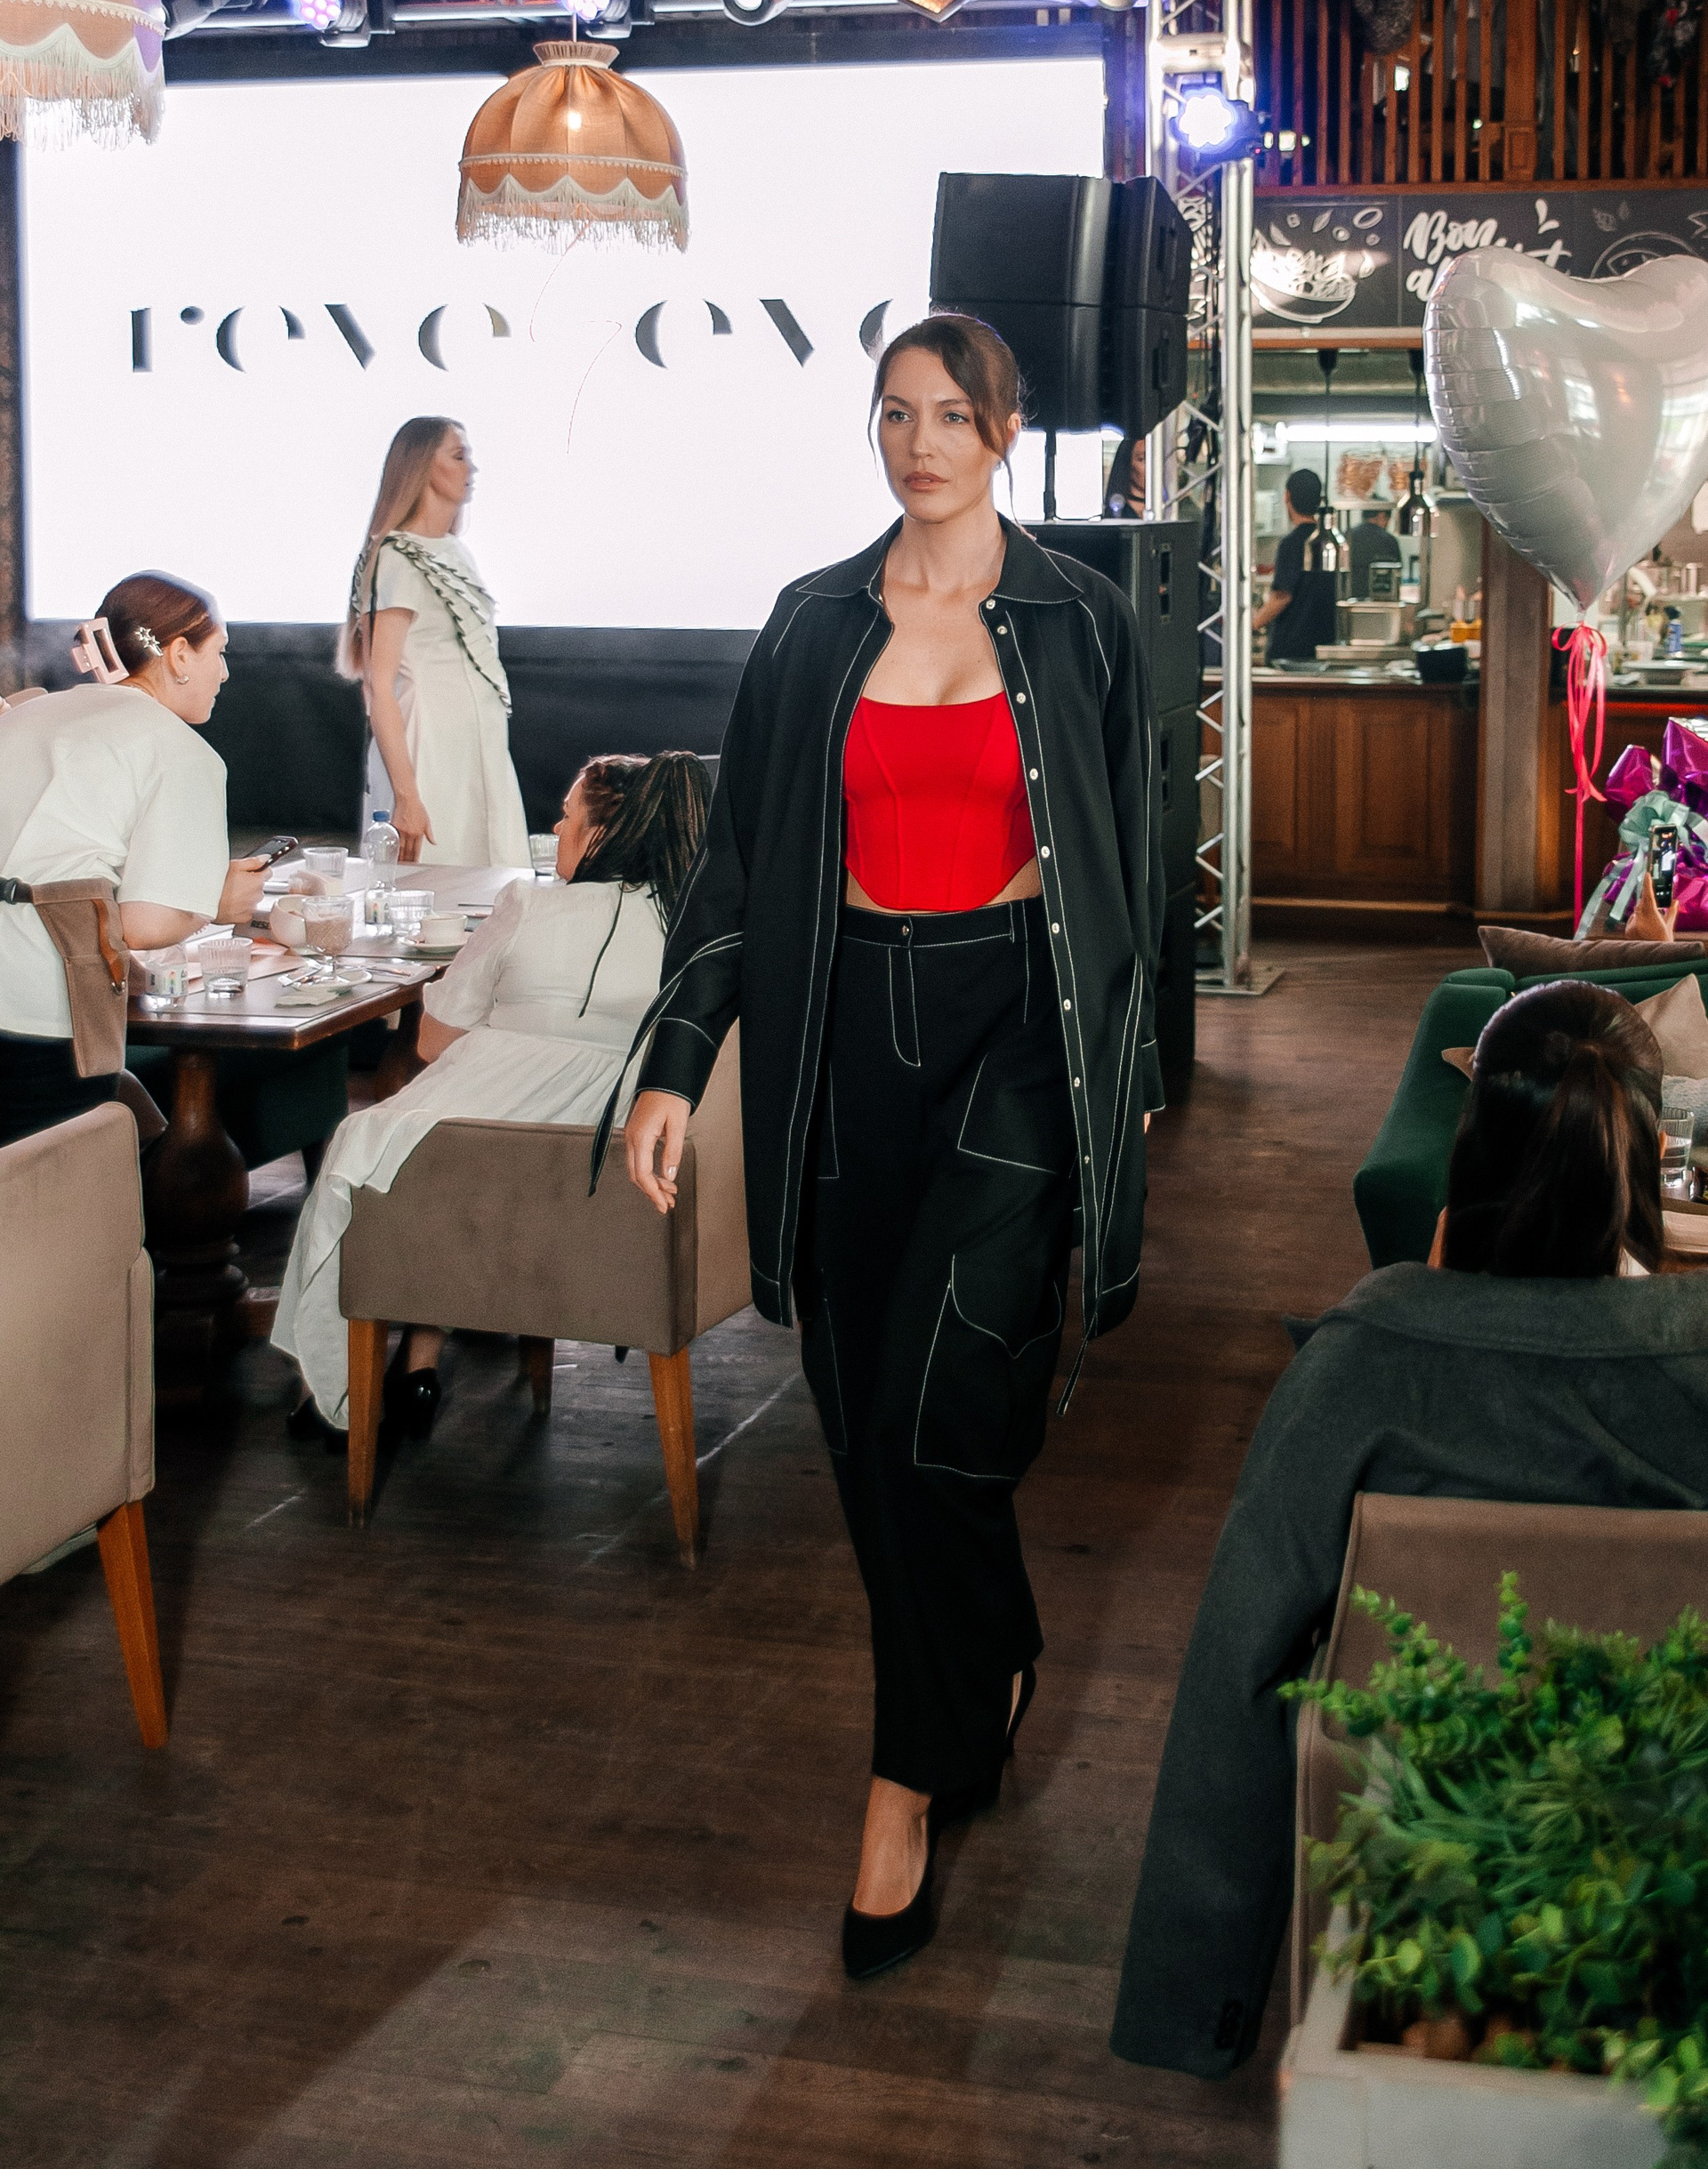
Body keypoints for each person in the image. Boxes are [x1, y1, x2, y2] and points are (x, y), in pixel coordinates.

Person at [615, 312, 1165, 1983]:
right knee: (867, 1423)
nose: (922, 443)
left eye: (953, 416)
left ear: (1004, 431)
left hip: (1015, 1032)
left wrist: (1125, 1077)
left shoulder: (1081, 619)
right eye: (896, 413)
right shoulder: (811, 623)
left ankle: (903, 1786)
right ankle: (992, 1648)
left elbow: (1132, 860)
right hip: (845, 1035)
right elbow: (738, 863)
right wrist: (678, 1061)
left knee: (938, 1405)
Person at [1110, 980, 1708, 2081]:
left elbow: (1240, 1660)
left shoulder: (1361, 1364)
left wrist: (1192, 2005)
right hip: (1671, 1846)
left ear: (1465, 1155)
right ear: (1650, 1150)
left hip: (1412, 1839)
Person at [272, 751, 708, 1439]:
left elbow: (431, 1040)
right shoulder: (687, 930)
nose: (555, 830)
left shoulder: (530, 905)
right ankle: (420, 1360)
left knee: (378, 1153)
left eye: (566, 817)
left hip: (476, 1163)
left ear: (599, 835)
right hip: (601, 1176)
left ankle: (329, 1392)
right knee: (458, 1168)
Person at [0, 573, 266, 1146]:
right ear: (179, 655)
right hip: (41, 1007)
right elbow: (144, 924)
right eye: (219, 653)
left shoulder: (23, 714)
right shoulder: (181, 751)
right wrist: (214, 901)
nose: (224, 673)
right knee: (48, 1185)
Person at [341, 416, 529, 870]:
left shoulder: (455, 550)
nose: (471, 468)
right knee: (433, 881)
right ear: (423, 466)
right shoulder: (395, 556)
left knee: (493, 877)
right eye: (459, 456)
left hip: (477, 740)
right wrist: (407, 795)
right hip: (427, 742)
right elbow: (379, 685)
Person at [1252, 467, 1339, 662]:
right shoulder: (1330, 541)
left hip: (1291, 647)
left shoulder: (1291, 543)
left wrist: (1254, 623)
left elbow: (1282, 596)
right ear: (1320, 500)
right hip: (1325, 644)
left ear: (1287, 496)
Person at [1348, 503, 1401, 599]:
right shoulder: (1388, 540)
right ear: (1382, 515)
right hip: (1380, 596)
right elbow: (1397, 573)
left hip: (1349, 594)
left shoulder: (1347, 536)